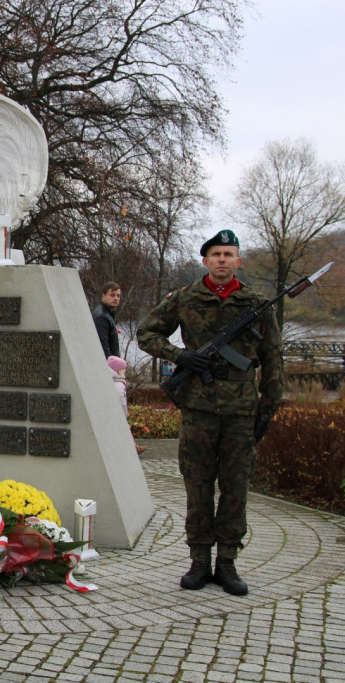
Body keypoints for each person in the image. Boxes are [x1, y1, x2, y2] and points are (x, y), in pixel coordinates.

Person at [137, 229, 283, 596]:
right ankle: (199, 560)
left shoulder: (257, 302)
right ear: (205, 260)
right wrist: (181, 356)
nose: (222, 259)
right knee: (198, 485)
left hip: (241, 411)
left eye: (228, 254)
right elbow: (147, 334)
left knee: (235, 488)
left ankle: (227, 562)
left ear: (238, 261)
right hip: (199, 409)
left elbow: (272, 358)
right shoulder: (186, 297)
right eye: (216, 254)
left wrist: (268, 407)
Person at [91, 281, 122, 357]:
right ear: (103, 296)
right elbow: (103, 347)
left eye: (118, 296)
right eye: (112, 295)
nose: (116, 298)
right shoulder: (102, 316)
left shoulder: (106, 313)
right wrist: (110, 363)